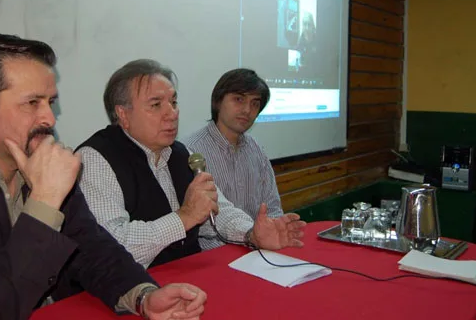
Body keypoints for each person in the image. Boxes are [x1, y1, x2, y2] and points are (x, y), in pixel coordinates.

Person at [0, 35, 206, 320]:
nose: (49, 118)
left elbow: (93, 249)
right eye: (33, 103)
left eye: (50, 102)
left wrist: (143, 296)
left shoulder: (40, 157)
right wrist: (45, 201)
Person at [77, 59, 306, 269]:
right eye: (156, 105)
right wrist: (184, 216)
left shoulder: (180, 153)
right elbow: (112, 247)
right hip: (131, 293)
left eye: (173, 102)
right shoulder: (96, 159)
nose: (172, 113)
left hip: (185, 277)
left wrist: (251, 234)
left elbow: (218, 211)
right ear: (123, 115)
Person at [184, 69, 284, 220]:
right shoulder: (192, 151)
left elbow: (273, 207)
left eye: (255, 104)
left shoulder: (255, 148)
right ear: (218, 101)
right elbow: (199, 218)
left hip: (260, 241)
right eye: (239, 99)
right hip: (216, 243)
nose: (247, 110)